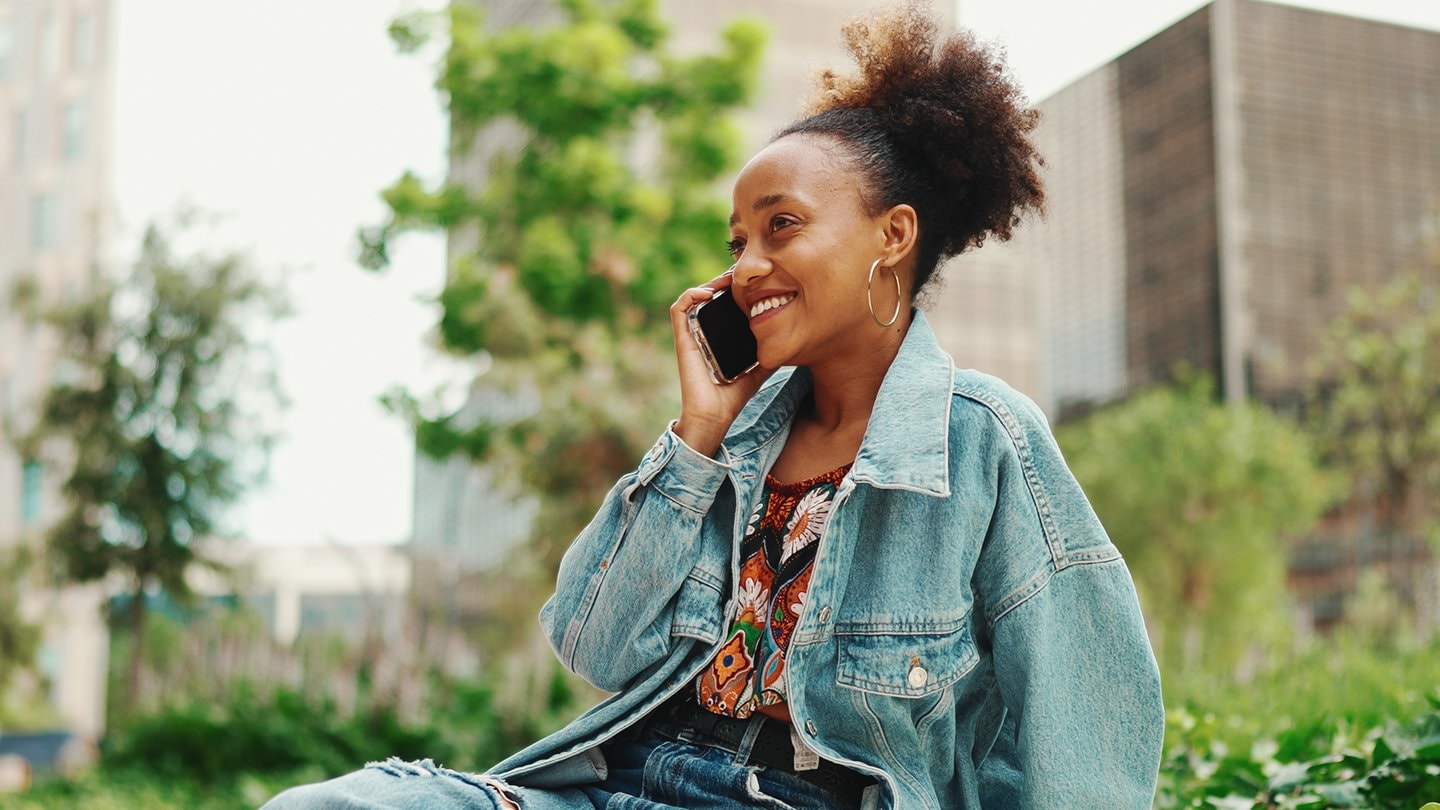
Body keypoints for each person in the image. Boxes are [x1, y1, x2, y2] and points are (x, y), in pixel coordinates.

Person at [262, 3, 1164, 808]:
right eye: (737, 240)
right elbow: (594, 648)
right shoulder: (733, 445)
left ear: (893, 236)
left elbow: (1081, 741)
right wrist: (696, 439)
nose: (746, 267)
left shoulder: (985, 443)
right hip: (618, 782)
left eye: (783, 225)